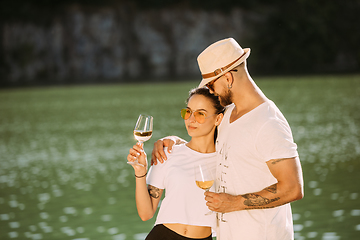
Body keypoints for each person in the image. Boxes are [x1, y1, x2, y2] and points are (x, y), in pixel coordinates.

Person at [151, 38, 304, 239]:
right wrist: (172, 140)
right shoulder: (228, 115)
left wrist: (234, 203)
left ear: (228, 78)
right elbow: (204, 143)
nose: (210, 91)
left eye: (211, 84)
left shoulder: (268, 122)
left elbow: (293, 187)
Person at [127, 87, 225, 240]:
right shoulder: (168, 153)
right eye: (188, 112)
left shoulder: (226, 161)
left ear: (218, 119)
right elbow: (146, 213)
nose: (191, 119)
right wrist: (140, 173)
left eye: (200, 114)